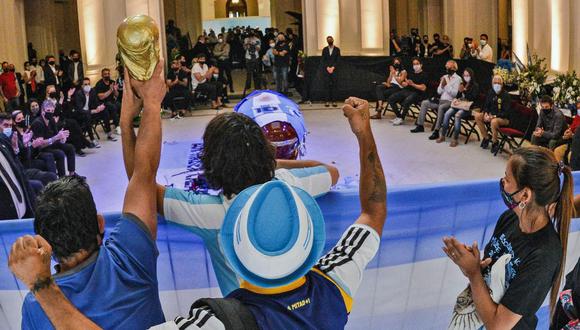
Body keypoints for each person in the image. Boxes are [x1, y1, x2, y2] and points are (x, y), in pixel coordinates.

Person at [12, 96, 386, 330]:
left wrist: (131, 122)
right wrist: (363, 133)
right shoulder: (335, 278)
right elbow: (365, 202)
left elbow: (140, 182)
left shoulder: (213, 315)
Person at [8, 60, 168, 329]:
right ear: (100, 222)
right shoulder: (129, 254)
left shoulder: (37, 307)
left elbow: (143, 174)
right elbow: (144, 174)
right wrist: (147, 107)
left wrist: (40, 283)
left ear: (44, 245)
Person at [158, 111, 339, 295]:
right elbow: (331, 172)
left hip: (245, 318)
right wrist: (268, 163)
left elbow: (143, 187)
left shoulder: (210, 212)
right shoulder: (288, 185)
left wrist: (137, 116)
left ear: (212, 161)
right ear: (265, 149)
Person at [444, 146, 573, 329]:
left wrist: (473, 274)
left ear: (525, 195)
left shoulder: (544, 255)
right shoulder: (510, 218)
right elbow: (489, 276)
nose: (502, 182)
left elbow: (499, 326)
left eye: (507, 178)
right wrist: (474, 266)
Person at [411, 60, 461, 140]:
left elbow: (454, 94)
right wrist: (441, 85)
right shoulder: (444, 76)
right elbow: (439, 91)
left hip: (450, 102)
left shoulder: (458, 79)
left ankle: (436, 131)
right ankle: (420, 125)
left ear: (454, 68)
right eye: (446, 67)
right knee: (425, 103)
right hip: (441, 100)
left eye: (449, 67)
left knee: (441, 108)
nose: (447, 68)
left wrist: (446, 85)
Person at [0, 112, 36, 220]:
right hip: (7, 213)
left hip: (22, 201)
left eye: (10, 125)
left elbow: (20, 165)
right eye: (6, 125)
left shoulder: (4, 141)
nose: (8, 129)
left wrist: (17, 148)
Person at [31, 100, 76, 177]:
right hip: (42, 149)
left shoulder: (51, 120)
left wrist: (62, 139)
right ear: (42, 111)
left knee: (70, 147)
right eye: (48, 110)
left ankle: (72, 174)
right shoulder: (38, 123)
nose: (50, 113)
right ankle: (62, 178)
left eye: (52, 111)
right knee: (60, 154)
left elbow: (56, 135)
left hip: (51, 144)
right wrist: (55, 138)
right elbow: (40, 145)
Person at [437, 68, 480, 147]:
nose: (466, 77)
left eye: (468, 75)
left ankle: (455, 139)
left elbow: (473, 98)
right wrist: (458, 95)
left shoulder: (475, 85)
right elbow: (457, 95)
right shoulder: (462, 83)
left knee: (457, 115)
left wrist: (464, 91)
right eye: (465, 75)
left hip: (468, 107)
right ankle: (442, 136)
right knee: (447, 113)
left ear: (471, 76)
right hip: (459, 104)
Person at [474, 75, 513, 154]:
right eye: (495, 83)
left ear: (502, 84)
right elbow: (486, 105)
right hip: (491, 115)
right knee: (477, 116)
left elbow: (506, 112)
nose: (497, 84)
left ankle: (495, 142)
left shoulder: (506, 95)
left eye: (499, 83)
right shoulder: (490, 92)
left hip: (503, 118)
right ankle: (486, 137)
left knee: (494, 122)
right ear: (492, 84)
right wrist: (485, 114)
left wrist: (494, 116)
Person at [74, 77, 116, 143]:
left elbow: (95, 102)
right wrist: (92, 111)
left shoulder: (92, 91)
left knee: (105, 111)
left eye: (88, 84)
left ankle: (109, 134)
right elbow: (79, 110)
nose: (87, 86)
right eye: (85, 84)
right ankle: (92, 139)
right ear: (82, 86)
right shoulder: (78, 94)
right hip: (82, 114)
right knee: (87, 116)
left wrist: (99, 107)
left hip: (92, 111)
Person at [388, 57, 428, 126]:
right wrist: (403, 83)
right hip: (408, 90)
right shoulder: (411, 73)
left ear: (421, 65)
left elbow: (423, 88)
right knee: (391, 98)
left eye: (417, 64)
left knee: (407, 100)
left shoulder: (424, 74)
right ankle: (398, 116)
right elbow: (405, 84)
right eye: (414, 64)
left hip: (418, 93)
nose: (415, 66)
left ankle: (402, 118)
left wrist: (413, 84)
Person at [94, 68, 121, 135]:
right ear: (102, 75)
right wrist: (110, 90)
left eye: (108, 74)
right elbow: (101, 97)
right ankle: (117, 126)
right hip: (103, 102)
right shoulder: (99, 84)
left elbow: (117, 95)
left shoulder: (112, 82)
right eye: (105, 74)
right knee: (112, 106)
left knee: (119, 104)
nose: (107, 75)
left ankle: (120, 123)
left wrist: (115, 90)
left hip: (111, 101)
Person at [321, 35, 341, 108]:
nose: (330, 41)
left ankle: (334, 101)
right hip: (326, 70)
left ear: (333, 40)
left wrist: (333, 67)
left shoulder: (337, 49)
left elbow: (338, 60)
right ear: (327, 41)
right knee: (326, 85)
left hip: (334, 70)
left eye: (331, 39)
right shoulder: (324, 49)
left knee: (334, 85)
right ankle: (327, 101)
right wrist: (327, 67)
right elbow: (323, 60)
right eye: (328, 40)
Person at [243, 30, 263, 95]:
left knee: (256, 72)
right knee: (248, 72)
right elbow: (245, 48)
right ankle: (248, 86)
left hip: (256, 57)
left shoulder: (257, 40)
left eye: (252, 36)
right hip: (248, 57)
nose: (250, 37)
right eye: (249, 36)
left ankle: (257, 86)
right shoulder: (246, 39)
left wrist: (254, 44)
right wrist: (247, 44)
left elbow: (259, 49)